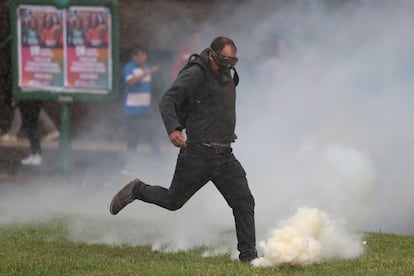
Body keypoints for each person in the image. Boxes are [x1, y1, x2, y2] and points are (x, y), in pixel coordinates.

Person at [109, 37, 258, 263]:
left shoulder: (225, 70)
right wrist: (174, 129)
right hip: (198, 153)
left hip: (224, 155)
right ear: (212, 55)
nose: (227, 67)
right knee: (172, 201)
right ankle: (136, 190)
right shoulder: (196, 73)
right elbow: (167, 100)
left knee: (244, 201)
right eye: (223, 61)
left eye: (231, 62)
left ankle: (248, 257)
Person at [122, 45, 159, 157]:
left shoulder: (147, 67)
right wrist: (146, 73)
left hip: (145, 109)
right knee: (134, 137)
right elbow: (131, 82)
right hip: (133, 109)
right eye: (141, 56)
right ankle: (130, 162)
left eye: (145, 56)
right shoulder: (129, 67)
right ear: (134, 57)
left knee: (151, 135)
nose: (144, 58)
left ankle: (158, 161)